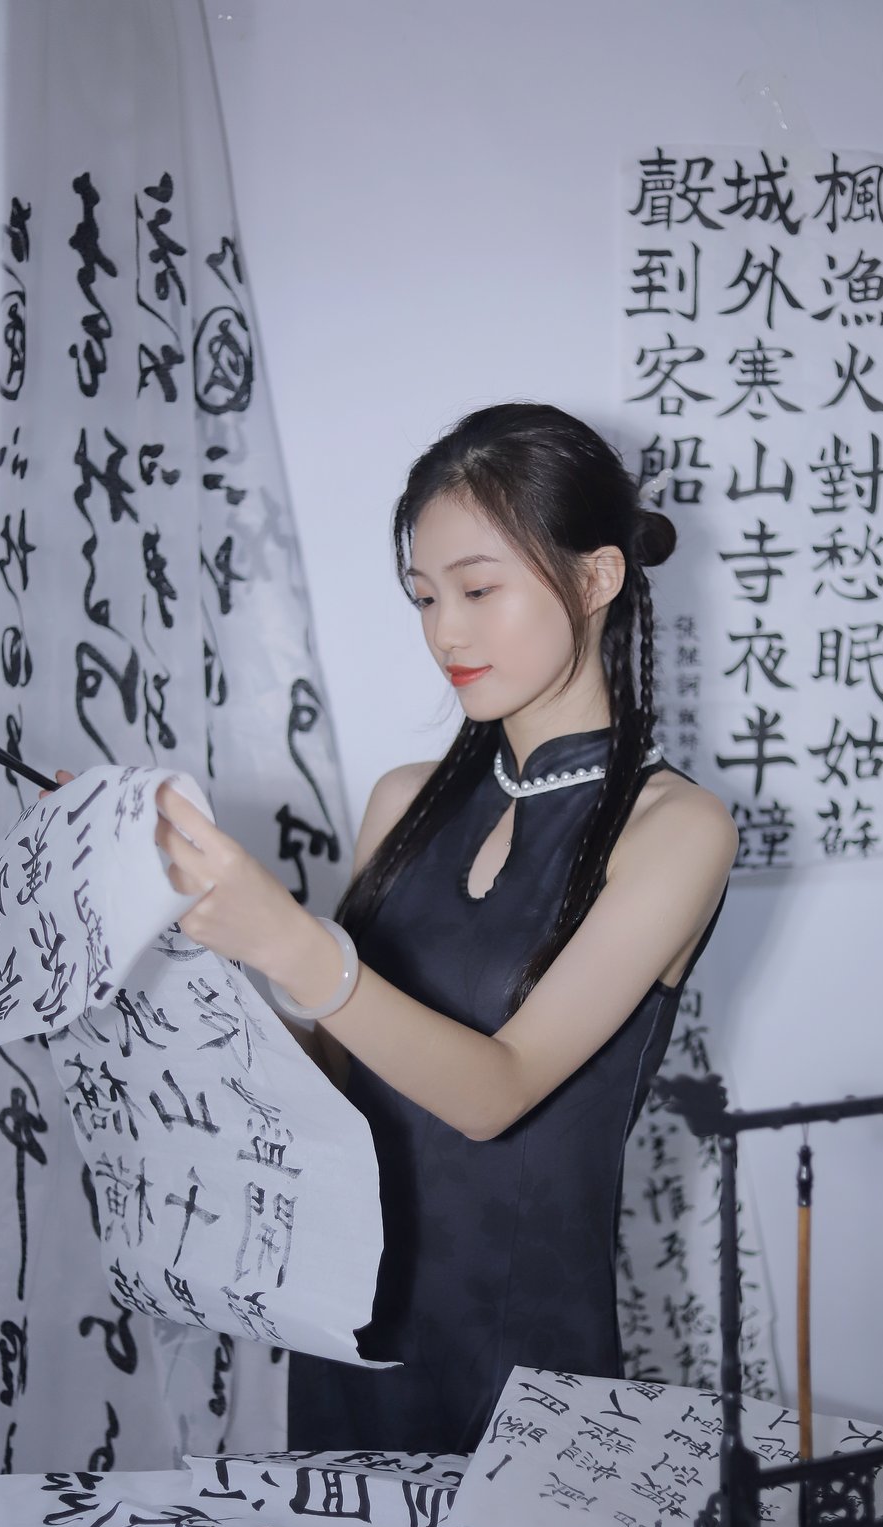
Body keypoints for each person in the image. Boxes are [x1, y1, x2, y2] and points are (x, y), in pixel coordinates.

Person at [152, 401, 739, 1454]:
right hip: (351, 1331)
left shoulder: (676, 829)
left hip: (527, 1366)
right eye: (425, 596)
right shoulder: (404, 800)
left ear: (597, 579)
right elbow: (335, 1075)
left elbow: (495, 1090)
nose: (445, 633)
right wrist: (181, 928)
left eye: (477, 589)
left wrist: (289, 941)